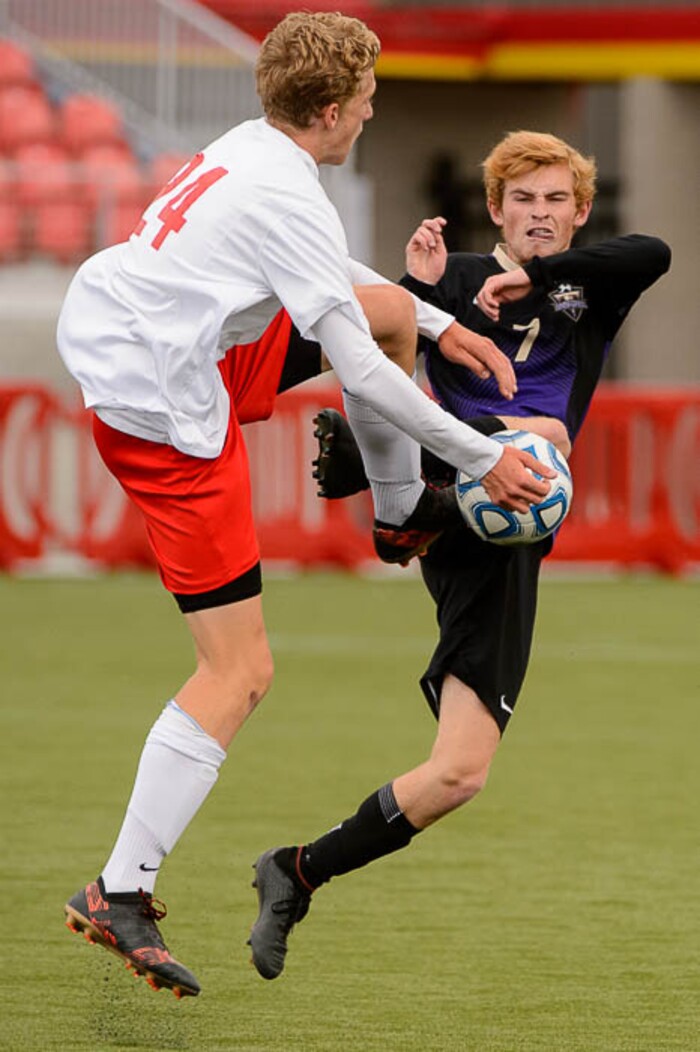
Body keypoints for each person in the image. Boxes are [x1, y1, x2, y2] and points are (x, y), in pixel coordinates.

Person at [57, 15, 552, 999]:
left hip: (149, 332)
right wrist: (481, 457)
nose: (372, 111)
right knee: (238, 670)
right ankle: (119, 884)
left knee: (394, 309)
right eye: (366, 99)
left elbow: (356, 302)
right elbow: (360, 369)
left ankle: (398, 512)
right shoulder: (287, 187)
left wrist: (440, 321)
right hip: (163, 411)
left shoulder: (255, 148)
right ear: (328, 111)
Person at [247, 130, 671, 981]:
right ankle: (405, 490)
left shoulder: (592, 286)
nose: (540, 215)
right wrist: (416, 288)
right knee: (500, 425)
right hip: (472, 488)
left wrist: (544, 278)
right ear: (496, 209)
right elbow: (380, 352)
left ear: (579, 211)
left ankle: (295, 871)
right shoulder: (462, 281)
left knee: (459, 774)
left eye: (556, 201)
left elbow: (654, 248)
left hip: (511, 530)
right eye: (523, 200)